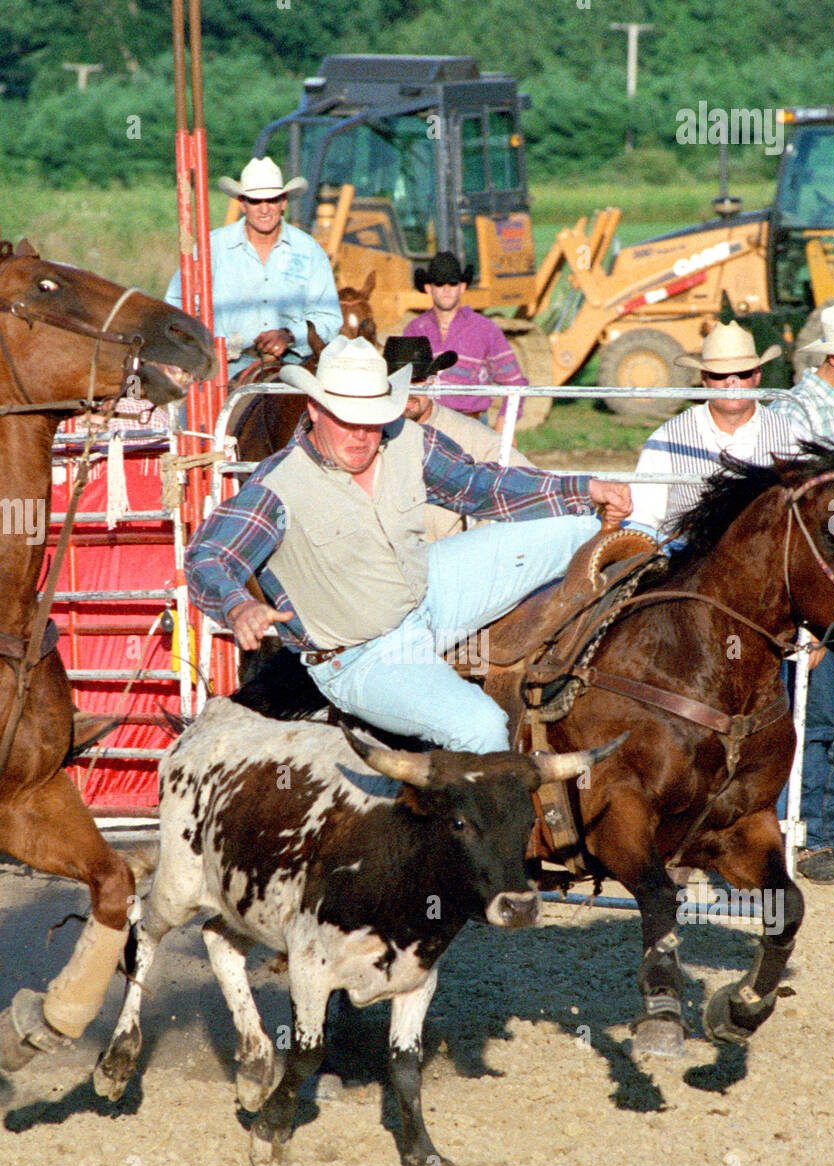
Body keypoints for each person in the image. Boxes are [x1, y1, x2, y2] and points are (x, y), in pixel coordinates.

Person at [185, 336, 631, 755]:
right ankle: (486, 830)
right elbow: (210, 557)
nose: (362, 434)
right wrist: (238, 606)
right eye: (347, 418)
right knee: (483, 729)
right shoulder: (279, 486)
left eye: (373, 418)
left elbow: (482, 486)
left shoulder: (405, 440)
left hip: (431, 587)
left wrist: (585, 488)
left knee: (577, 525)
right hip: (362, 653)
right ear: (315, 409)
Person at [768, 301, 834, 884]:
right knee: (816, 716)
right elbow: (793, 517)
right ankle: (809, 839)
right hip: (820, 583)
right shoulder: (794, 414)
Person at [166, 157, 342, 376]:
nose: (264, 210)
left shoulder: (309, 250)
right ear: (242, 204)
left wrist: (290, 335)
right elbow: (177, 306)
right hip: (226, 367)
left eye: (272, 200)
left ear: (284, 202)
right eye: (256, 201)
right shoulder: (211, 248)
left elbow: (329, 318)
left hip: (295, 366)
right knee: (194, 408)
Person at [630, 321, 796, 537]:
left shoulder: (791, 434)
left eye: (742, 373)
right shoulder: (667, 438)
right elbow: (642, 519)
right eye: (719, 375)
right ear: (704, 380)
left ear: (757, 376)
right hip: (685, 561)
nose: (731, 383)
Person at [383, 335, 533, 541]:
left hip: (442, 553)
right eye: (399, 381)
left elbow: (523, 478)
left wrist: (474, 541)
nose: (408, 391)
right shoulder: (369, 430)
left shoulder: (465, 431)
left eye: (416, 380)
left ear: (432, 381)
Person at [403, 251, 527, 430]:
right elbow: (404, 383)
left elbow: (514, 381)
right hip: (426, 426)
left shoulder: (485, 329)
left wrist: (504, 425)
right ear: (428, 288)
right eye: (439, 283)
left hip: (472, 425)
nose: (446, 289)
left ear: (462, 287)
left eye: (452, 283)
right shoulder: (414, 329)